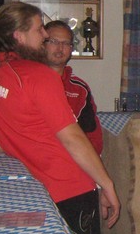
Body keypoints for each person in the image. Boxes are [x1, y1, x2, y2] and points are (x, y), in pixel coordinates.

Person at [0, 2, 120, 234]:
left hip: (28, 193)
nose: (44, 35)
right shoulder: (38, 75)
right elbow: (72, 137)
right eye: (39, 29)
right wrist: (107, 184)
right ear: (19, 35)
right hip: (69, 191)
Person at [44, 20, 103, 154]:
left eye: (66, 43)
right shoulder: (28, 82)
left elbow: (92, 134)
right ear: (42, 45)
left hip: (72, 157)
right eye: (53, 42)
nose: (60, 48)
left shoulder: (79, 89)